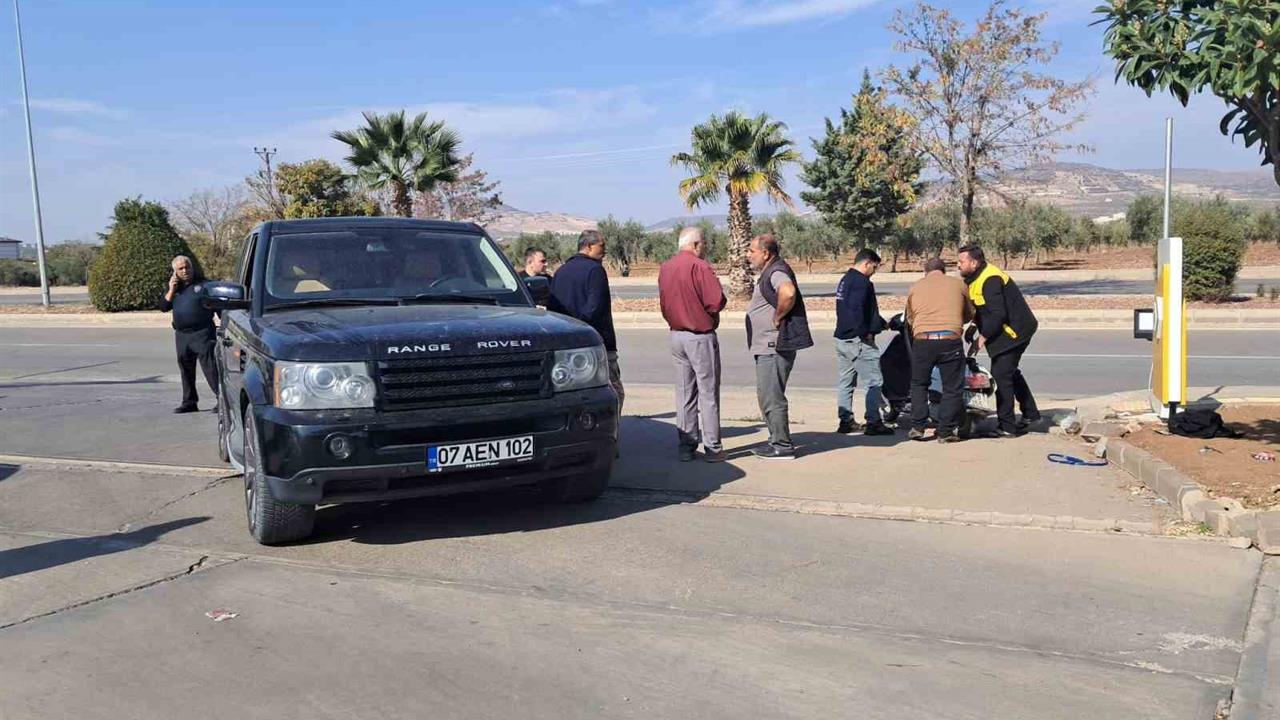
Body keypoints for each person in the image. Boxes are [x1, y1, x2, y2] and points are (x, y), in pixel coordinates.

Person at [658, 227, 728, 463]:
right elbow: (716, 301)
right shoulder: (700, 267)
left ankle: (686, 445)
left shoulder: (666, 268)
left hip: (677, 334)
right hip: (699, 335)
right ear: (696, 245)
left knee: (685, 392)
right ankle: (712, 446)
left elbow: (664, 303)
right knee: (707, 392)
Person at [957, 245, 1041, 437]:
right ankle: (1031, 414)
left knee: (1001, 374)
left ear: (974, 262)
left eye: (961, 261)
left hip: (1015, 332)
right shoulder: (975, 278)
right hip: (1005, 332)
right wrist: (972, 327)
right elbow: (981, 309)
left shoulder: (991, 279)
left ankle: (1007, 427)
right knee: (1010, 372)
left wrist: (981, 340)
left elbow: (997, 315)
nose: (958, 265)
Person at [745, 234, 813, 459]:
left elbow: (788, 291)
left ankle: (782, 446)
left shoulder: (776, 271)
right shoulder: (770, 270)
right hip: (766, 347)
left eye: (752, 251)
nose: (748, 255)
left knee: (772, 396)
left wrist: (778, 316)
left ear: (766, 253)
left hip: (773, 347)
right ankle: (775, 439)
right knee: (767, 394)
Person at [549, 229, 623, 414]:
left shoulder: (560, 271)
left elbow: (552, 308)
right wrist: (581, 329)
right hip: (596, 342)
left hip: (563, 343)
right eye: (602, 246)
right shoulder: (595, 270)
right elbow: (595, 307)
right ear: (589, 247)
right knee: (614, 391)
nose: (604, 251)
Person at [903, 257, 973, 443]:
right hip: (950, 340)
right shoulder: (958, 284)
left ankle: (918, 426)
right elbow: (969, 313)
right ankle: (945, 431)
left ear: (925, 272)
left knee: (919, 384)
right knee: (952, 387)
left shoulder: (915, 287)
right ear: (944, 270)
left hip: (923, 341)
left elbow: (909, 317)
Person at [833, 248, 892, 436]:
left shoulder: (845, 280)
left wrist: (883, 324)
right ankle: (874, 422)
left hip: (842, 338)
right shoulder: (861, 282)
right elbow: (857, 310)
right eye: (874, 267)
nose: (874, 271)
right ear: (867, 263)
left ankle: (846, 421)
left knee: (846, 382)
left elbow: (855, 310)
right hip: (857, 340)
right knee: (874, 381)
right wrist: (865, 333)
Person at [159, 255, 219, 414]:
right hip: (182, 335)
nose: (185, 271)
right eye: (181, 269)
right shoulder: (174, 289)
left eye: (187, 267)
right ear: (175, 272)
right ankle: (189, 402)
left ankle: (221, 399)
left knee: (211, 368)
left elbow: (219, 307)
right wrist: (171, 289)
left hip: (203, 333)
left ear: (192, 268)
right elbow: (164, 306)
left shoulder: (205, 285)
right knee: (186, 369)